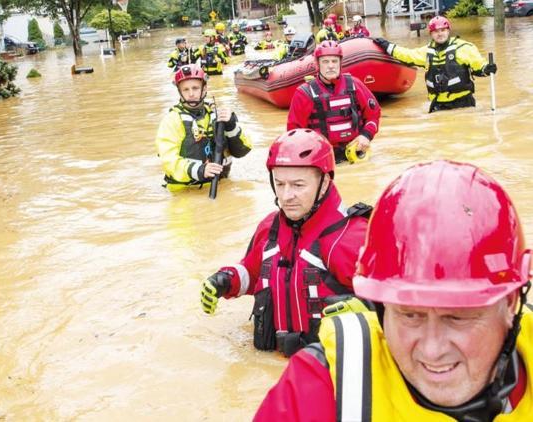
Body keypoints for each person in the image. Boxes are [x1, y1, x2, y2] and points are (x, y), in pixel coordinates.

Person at [255, 160, 533, 421]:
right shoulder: (323, 384)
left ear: (510, 304)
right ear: (381, 308)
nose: (432, 350)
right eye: (409, 315)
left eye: (457, 317)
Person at [200, 130, 370, 356]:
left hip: (324, 369)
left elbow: (399, 311)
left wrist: (370, 309)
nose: (286, 195)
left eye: (298, 185)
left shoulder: (352, 236)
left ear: (325, 181)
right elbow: (252, 273)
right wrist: (226, 280)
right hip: (271, 362)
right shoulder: (269, 227)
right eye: (279, 184)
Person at [155, 64, 251, 191]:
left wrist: (231, 125)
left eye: (195, 88)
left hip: (221, 187)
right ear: (180, 92)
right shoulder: (172, 120)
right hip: (185, 192)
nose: (191, 94)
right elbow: (169, 161)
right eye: (186, 90)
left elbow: (243, 150)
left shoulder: (218, 115)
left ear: (204, 89)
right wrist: (200, 170)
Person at [373, 16, 497, 113]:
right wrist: (388, 46)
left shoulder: (464, 48)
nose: (440, 34)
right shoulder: (426, 52)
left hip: (463, 103)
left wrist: (486, 69)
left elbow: (479, 66)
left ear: (448, 31)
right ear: (431, 34)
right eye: (436, 31)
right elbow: (407, 54)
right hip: (438, 105)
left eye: (443, 30)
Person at [287, 41, 381, 163]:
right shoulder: (304, 93)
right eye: (325, 62)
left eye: (334, 61)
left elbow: (374, 115)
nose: (331, 66)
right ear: (317, 64)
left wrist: (366, 136)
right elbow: (294, 133)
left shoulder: (354, 85)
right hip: (322, 158)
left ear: (340, 63)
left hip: (356, 154)